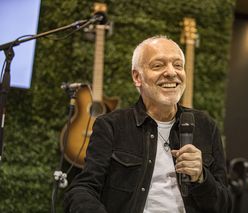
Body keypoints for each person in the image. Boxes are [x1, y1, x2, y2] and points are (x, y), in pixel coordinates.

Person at [64, 35, 232, 213]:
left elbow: (225, 205)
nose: (171, 72)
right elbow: (83, 189)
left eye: (178, 65)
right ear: (137, 77)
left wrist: (201, 177)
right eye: (158, 65)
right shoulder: (112, 126)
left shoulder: (206, 126)